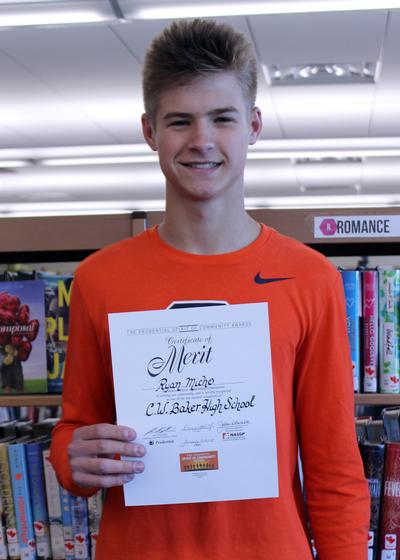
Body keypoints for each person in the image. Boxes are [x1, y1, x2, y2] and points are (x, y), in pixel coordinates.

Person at [50, 18, 370, 560]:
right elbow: (76, 430)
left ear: (253, 124)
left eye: (222, 118)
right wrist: (73, 461)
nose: (201, 141)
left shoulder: (310, 277)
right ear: (150, 131)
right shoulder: (100, 278)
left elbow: (333, 465)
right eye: (180, 121)